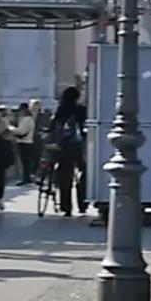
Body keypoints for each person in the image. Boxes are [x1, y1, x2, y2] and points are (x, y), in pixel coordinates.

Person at [48, 86, 88, 217]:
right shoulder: (81, 110)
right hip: (79, 146)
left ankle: (66, 206)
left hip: (63, 147)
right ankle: (82, 204)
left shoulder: (61, 110)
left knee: (65, 177)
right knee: (82, 174)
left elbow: (53, 127)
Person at [13, 101, 38, 185]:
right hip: (28, 142)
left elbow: (21, 131)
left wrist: (12, 130)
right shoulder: (30, 119)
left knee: (25, 162)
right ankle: (27, 177)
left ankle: (26, 178)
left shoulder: (26, 120)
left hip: (24, 142)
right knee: (26, 162)